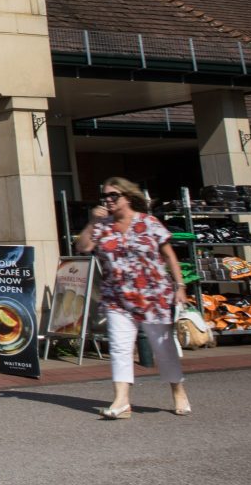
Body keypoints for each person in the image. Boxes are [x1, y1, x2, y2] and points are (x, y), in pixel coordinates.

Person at [74, 177, 190, 419]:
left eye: (113, 195)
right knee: (119, 347)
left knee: (163, 347)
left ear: (127, 197)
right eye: (105, 196)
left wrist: (179, 286)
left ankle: (178, 390)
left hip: (153, 295)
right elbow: (83, 247)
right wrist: (93, 221)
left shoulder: (149, 222)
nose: (108, 200)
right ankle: (122, 401)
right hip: (116, 296)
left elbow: (169, 256)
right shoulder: (102, 225)